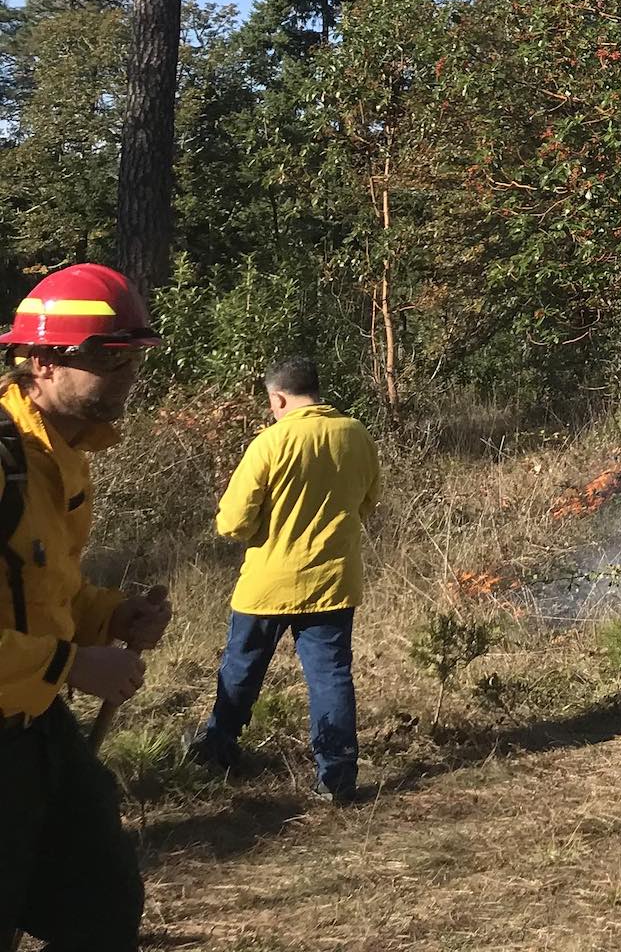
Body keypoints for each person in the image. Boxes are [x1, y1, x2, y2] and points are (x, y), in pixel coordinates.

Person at [0, 263, 173, 951]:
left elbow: (47, 593)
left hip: (37, 732)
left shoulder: (62, 458)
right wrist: (71, 664)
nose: (125, 374)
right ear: (39, 361)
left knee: (100, 905)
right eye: (105, 356)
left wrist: (110, 617)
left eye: (132, 357)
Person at [189, 354, 382, 803]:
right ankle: (337, 779)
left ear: (278, 397)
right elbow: (368, 502)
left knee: (242, 669)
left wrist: (261, 531)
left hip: (267, 585)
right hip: (333, 581)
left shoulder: (270, 444)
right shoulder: (355, 435)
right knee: (331, 676)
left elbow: (232, 522)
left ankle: (218, 749)